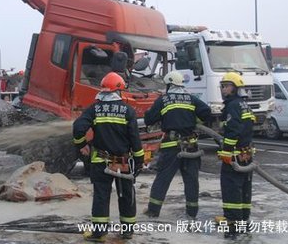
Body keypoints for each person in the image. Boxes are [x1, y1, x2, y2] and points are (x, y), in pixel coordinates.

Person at [73, 72, 144, 242]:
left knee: (101, 196)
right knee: (126, 195)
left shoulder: (94, 108)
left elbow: (78, 127)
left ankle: (99, 234)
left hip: (100, 161)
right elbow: (135, 139)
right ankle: (127, 231)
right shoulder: (128, 110)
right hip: (122, 162)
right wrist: (139, 161)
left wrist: (81, 144)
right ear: (119, 91)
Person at [143, 71, 211, 219]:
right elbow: (207, 112)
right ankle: (192, 212)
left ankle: (153, 211)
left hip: (172, 148)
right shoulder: (191, 99)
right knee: (192, 180)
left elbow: (149, 119)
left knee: (163, 179)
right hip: (191, 147)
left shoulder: (164, 100)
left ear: (169, 85)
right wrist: (194, 121)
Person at [217, 72, 255, 238]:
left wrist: (226, 152)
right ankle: (244, 222)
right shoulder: (244, 104)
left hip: (234, 156)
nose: (223, 89)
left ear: (234, 88)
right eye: (222, 86)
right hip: (246, 155)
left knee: (231, 189)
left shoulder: (232, 106)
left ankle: (232, 225)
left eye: (226, 86)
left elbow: (233, 130)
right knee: (244, 189)